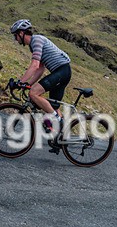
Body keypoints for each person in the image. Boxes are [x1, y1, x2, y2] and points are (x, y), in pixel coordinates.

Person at [9, 19, 71, 152]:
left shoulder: (36, 40)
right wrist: (27, 84)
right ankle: (59, 139)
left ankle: (57, 120)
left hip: (61, 71)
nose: (15, 39)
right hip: (62, 72)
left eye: (15, 35)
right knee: (53, 106)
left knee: (34, 93)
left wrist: (20, 82)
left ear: (21, 33)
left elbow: (34, 65)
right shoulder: (34, 45)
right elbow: (40, 69)